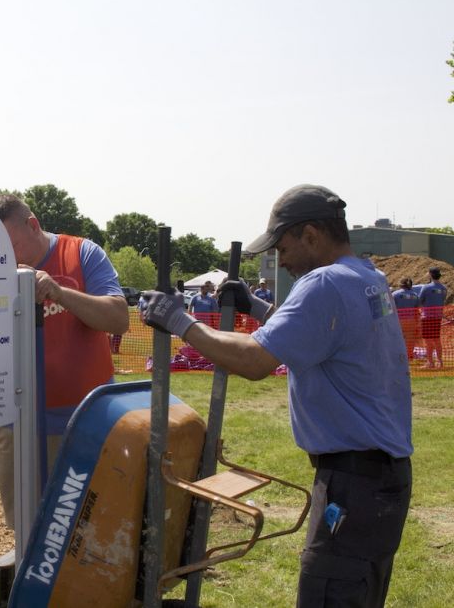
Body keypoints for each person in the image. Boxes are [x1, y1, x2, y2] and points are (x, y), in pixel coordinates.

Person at [141, 184, 412, 607]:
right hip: (378, 480)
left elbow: (254, 361)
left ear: (310, 235)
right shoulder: (366, 277)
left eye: (283, 247)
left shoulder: (324, 283)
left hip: (354, 483)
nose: (281, 261)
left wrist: (180, 322)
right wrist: (256, 308)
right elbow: (322, 335)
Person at [0, 193, 128, 529]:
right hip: (18, 424)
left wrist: (60, 293)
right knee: (27, 531)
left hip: (85, 422)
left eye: (12, 247)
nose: (7, 260)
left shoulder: (81, 253)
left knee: (87, 530)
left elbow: (118, 318)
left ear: (33, 225)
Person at [418, 267, 447, 369]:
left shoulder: (426, 287)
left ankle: (430, 362)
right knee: (436, 339)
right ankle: (440, 362)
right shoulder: (444, 288)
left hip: (427, 317)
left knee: (428, 340)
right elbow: (442, 300)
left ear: (430, 274)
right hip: (438, 316)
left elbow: (420, 301)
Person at [392, 277, 420, 361]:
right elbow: (416, 309)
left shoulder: (395, 294)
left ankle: (397, 356)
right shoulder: (415, 295)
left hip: (398, 320)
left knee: (397, 338)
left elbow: (391, 308)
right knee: (410, 339)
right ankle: (409, 357)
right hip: (411, 320)